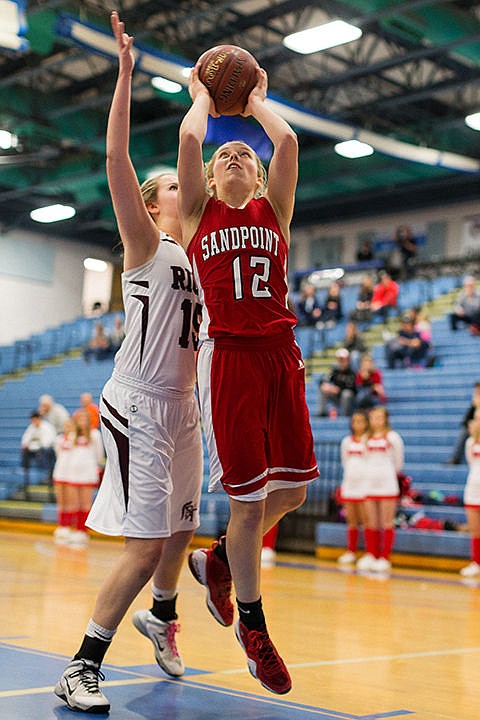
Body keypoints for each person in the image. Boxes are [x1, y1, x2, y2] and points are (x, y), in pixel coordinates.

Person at [54, 13, 203, 714]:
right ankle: (83, 665)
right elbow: (116, 160)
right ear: (150, 202)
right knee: (144, 550)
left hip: (186, 406)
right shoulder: (146, 246)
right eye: (173, 183)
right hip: (138, 401)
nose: (183, 188)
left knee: (182, 531)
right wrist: (123, 77)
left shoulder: (203, 255)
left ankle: (161, 616)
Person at [177, 56, 318, 696]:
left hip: (280, 354)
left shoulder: (274, 213)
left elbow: (286, 139)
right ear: (208, 175)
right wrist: (200, 97)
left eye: (244, 155)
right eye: (223, 154)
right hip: (229, 355)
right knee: (250, 501)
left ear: (259, 177)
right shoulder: (198, 215)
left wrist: (256, 97)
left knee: (293, 495)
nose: (233, 155)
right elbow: (188, 137)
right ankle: (255, 630)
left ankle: (219, 563)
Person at [356, 406, 404, 573]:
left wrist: (387, 473)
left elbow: (398, 462)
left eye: (379, 417)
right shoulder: (365, 439)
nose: (376, 420)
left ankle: (384, 557)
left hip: (387, 483)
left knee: (386, 521)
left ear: (385, 419)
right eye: (373, 417)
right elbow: (364, 459)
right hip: (369, 483)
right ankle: (372, 554)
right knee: (371, 521)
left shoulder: (393, 437)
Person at [53, 410, 104, 548]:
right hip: (73, 474)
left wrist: (94, 467)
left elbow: (99, 455)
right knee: (74, 504)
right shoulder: (72, 435)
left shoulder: (95, 435)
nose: (81, 422)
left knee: (85, 503)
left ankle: (82, 530)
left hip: (87, 473)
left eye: (84, 419)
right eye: (79, 419)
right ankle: (72, 529)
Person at [337, 411, 369, 565]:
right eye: (355, 421)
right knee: (352, 521)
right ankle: (351, 551)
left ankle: (369, 553)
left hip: (365, 486)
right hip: (349, 484)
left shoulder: (369, 441)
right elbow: (345, 461)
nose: (358, 424)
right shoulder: (346, 442)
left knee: (366, 520)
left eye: (361, 421)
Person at [460, 411, 480, 577]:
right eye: (476, 418)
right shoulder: (470, 442)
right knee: (475, 530)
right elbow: (471, 463)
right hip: (473, 490)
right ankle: (476, 562)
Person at [52, 417, 76, 544]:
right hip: (59, 473)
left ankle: (70, 526)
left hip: (71, 474)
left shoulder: (75, 440)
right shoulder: (58, 439)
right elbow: (58, 455)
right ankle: (62, 525)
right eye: (65, 425)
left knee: (70, 502)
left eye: (70, 425)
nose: (67, 427)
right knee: (61, 502)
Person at [20, 411, 57, 494]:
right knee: (24, 452)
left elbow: (46, 443)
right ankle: (26, 475)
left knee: (45, 452)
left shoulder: (47, 427)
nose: (34, 422)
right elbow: (25, 441)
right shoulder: (31, 428)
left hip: (47, 450)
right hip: (35, 450)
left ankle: (48, 476)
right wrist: (28, 446)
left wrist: (34, 445)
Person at [445, 382, 480, 465]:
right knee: (466, 432)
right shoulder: (475, 402)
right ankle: (455, 458)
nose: (476, 393)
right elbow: (467, 418)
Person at [317, 348, 356, 418]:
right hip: (336, 395)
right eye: (340, 360)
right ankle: (322, 413)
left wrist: (338, 389)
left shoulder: (351, 372)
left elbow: (352, 387)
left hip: (349, 399)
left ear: (348, 360)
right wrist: (326, 386)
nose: (341, 362)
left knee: (346, 394)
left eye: (343, 360)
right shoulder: (334, 371)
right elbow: (322, 380)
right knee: (322, 389)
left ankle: (344, 416)